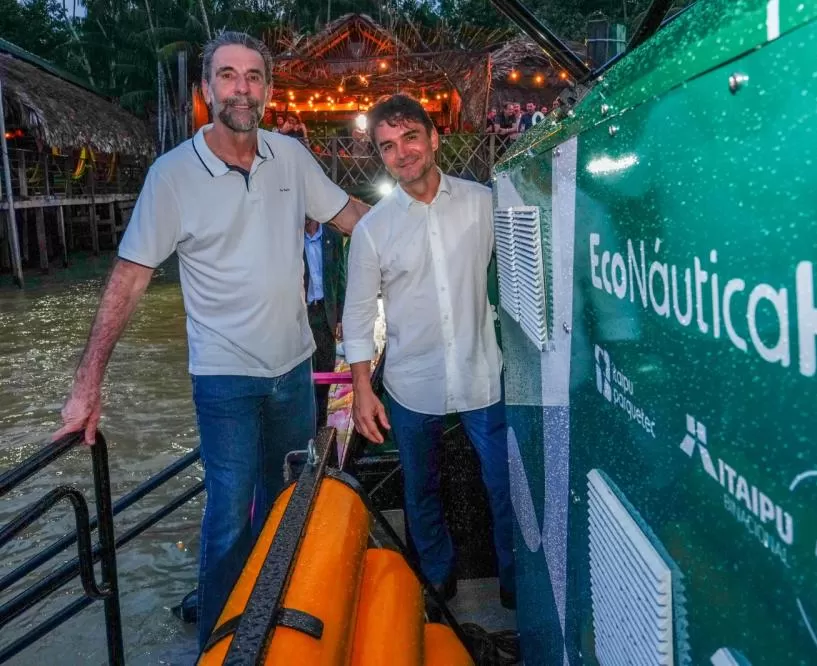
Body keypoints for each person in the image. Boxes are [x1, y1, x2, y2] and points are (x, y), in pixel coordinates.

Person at [52, 31, 369, 649]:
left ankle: (277, 623)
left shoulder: (291, 157)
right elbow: (129, 278)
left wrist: (425, 218)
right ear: (206, 89)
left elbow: (352, 217)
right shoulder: (172, 176)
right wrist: (87, 383)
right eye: (228, 76)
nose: (242, 89)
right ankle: (223, 646)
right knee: (228, 513)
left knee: (285, 504)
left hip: (295, 369)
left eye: (253, 76)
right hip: (224, 377)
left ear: (269, 90)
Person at [342, 93, 515, 609]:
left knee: (505, 486)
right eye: (389, 146)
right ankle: (437, 582)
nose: (403, 153)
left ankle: (514, 583)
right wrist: (361, 388)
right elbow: (355, 313)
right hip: (411, 384)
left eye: (411, 137)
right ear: (381, 156)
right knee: (420, 492)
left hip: (483, 371)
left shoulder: (484, 203)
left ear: (433, 138)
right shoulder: (373, 230)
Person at [304, 216, 347, 430]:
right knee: (304, 370)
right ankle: (306, 425)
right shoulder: (289, 237)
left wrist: (341, 317)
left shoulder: (333, 237)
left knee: (325, 366)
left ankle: (320, 424)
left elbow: (340, 278)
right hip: (301, 313)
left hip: (325, 312)